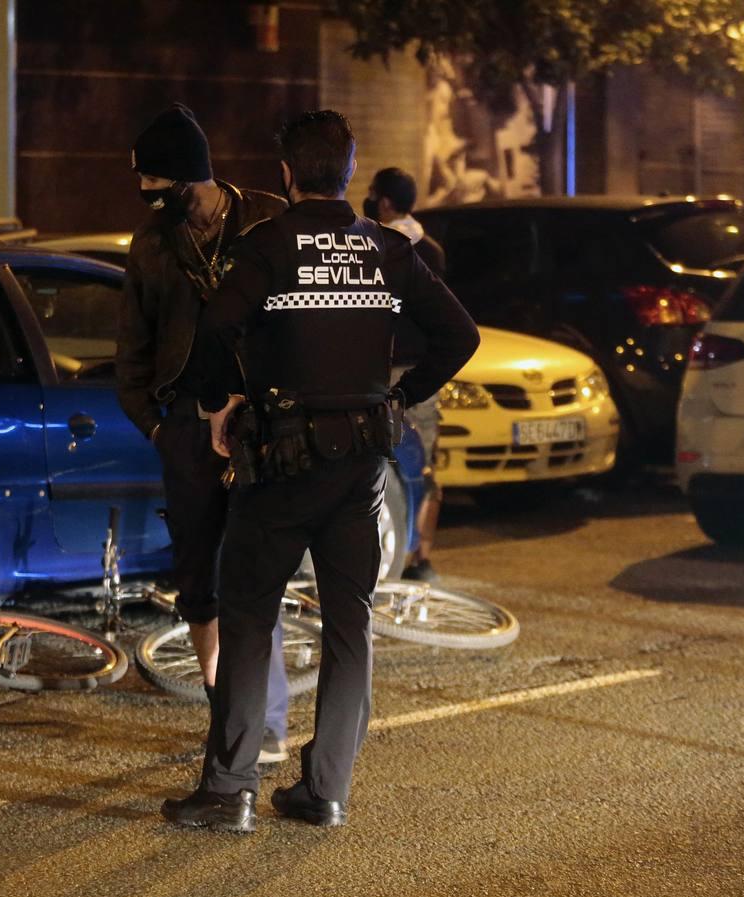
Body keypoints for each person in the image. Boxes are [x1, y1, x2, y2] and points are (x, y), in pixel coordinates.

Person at [161, 110, 479, 831]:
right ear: (349, 172)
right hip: (360, 469)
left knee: (247, 616)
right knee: (348, 626)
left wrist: (220, 405)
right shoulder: (387, 252)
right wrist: (400, 395)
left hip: (279, 466)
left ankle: (230, 791)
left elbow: (213, 327)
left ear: (286, 172)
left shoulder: (268, 246)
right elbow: (461, 333)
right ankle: (325, 792)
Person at [115, 104, 293, 762]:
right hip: (186, 431)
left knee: (254, 576)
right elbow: (132, 353)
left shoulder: (269, 221)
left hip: (257, 425)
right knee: (198, 584)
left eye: (161, 190)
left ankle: (264, 726)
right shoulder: (150, 245)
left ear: (194, 179)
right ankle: (227, 714)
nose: (151, 204)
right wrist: (157, 430)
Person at [364, 167, 448, 581]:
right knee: (423, 463)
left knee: (375, 459)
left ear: (383, 202)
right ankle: (422, 558)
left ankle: (370, 544)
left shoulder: (373, 246)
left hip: (380, 369)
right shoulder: (430, 250)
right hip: (421, 376)